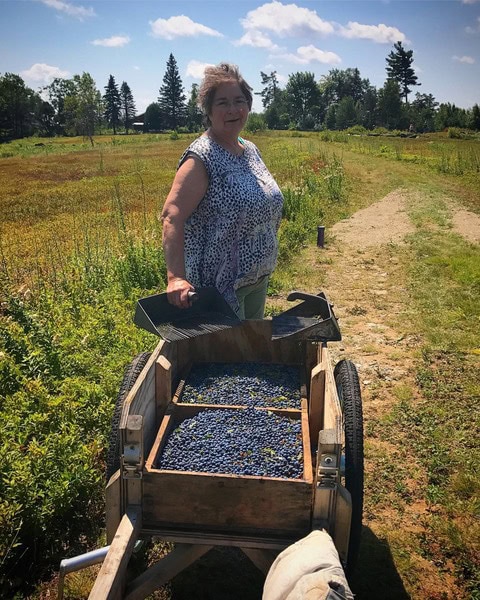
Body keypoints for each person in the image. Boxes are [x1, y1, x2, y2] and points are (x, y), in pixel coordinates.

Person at [160, 63, 284, 320]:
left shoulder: (249, 149)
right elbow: (172, 215)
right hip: (218, 289)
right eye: (223, 103)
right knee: (229, 358)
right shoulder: (202, 156)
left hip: (256, 279)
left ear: (248, 106)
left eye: (239, 101)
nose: (233, 110)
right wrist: (176, 278)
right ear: (208, 110)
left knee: (252, 354)